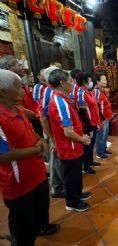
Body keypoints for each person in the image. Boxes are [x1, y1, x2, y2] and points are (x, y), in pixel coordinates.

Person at [0, 69, 59, 246]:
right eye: (18, 88)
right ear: (3, 92)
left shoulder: (17, 108)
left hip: (37, 173)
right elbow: (3, 155)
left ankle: (42, 227)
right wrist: (36, 150)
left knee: (40, 208)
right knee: (23, 226)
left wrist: (40, 139)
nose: (23, 91)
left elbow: (30, 129)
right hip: (19, 182)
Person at [48, 69, 92, 212]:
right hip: (69, 146)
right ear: (61, 83)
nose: (72, 83)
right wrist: (83, 139)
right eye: (69, 80)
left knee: (76, 173)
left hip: (74, 145)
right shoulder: (60, 103)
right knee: (71, 175)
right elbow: (67, 131)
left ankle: (77, 194)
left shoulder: (65, 99)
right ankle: (72, 202)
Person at [39, 66, 66, 198]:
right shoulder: (49, 92)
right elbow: (43, 118)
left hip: (58, 132)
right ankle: (57, 188)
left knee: (59, 159)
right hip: (52, 133)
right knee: (55, 159)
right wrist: (52, 138)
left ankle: (62, 184)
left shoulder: (54, 91)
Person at [0, 55, 42, 136]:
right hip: (26, 122)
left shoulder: (20, 84)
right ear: (9, 68)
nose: (23, 67)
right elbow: (19, 109)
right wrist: (39, 116)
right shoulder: (9, 89)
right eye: (19, 65)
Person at [76, 72, 101, 175]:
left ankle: (90, 161)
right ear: (84, 82)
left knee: (91, 144)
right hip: (88, 124)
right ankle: (85, 166)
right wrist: (90, 127)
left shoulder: (88, 92)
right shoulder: (81, 93)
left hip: (94, 122)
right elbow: (83, 111)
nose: (91, 82)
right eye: (89, 80)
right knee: (87, 145)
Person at [93, 73, 113, 159]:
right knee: (100, 135)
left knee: (105, 135)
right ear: (98, 81)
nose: (106, 81)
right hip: (102, 119)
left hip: (107, 117)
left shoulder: (103, 90)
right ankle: (99, 152)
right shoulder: (96, 91)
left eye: (106, 79)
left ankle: (104, 149)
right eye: (103, 80)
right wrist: (101, 119)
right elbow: (96, 106)